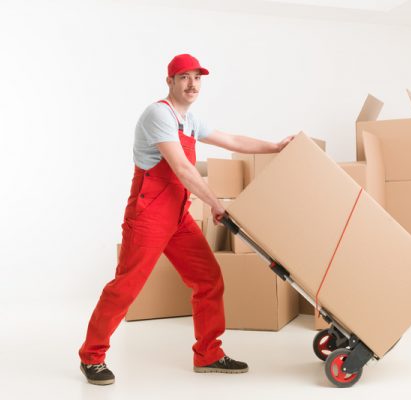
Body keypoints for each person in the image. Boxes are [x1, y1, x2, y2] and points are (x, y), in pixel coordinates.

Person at [78, 54, 295, 385]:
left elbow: (233, 140)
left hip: (177, 215)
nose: (192, 84)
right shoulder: (158, 115)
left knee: (208, 278)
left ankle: (208, 354)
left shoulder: (190, 119)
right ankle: (92, 357)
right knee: (127, 285)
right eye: (184, 77)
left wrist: (275, 146)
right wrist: (214, 205)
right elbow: (181, 167)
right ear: (170, 82)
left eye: (197, 78)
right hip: (149, 212)